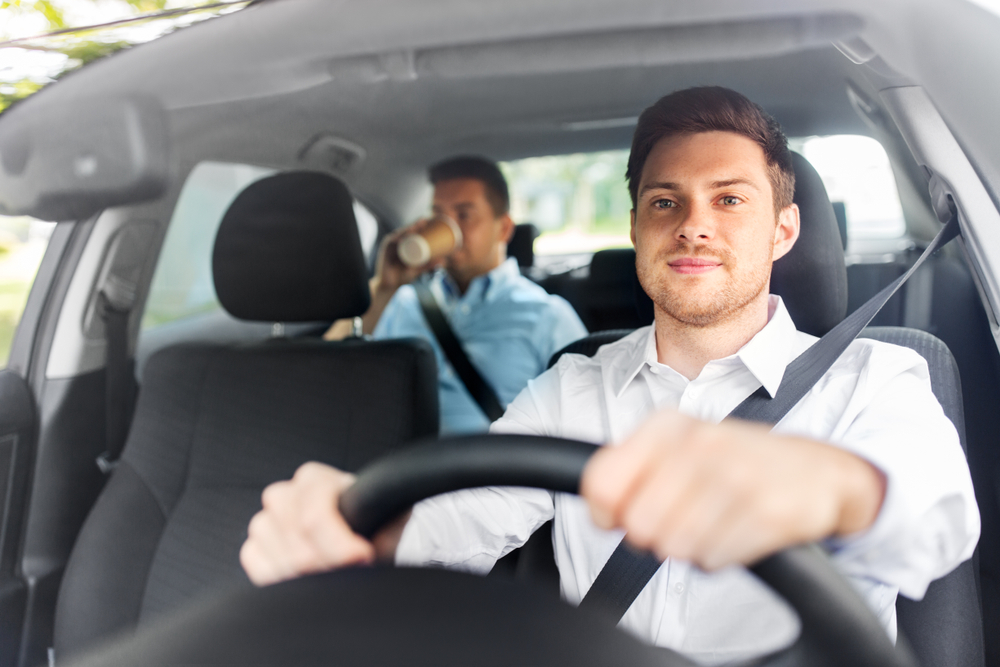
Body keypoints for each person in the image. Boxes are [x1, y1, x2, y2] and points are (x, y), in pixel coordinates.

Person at [242, 87, 979, 663]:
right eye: (666, 201)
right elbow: (462, 514)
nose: (694, 224)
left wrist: (826, 486)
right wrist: (360, 523)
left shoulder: (878, 376)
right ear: (635, 229)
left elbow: (938, 516)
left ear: (783, 230)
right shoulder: (574, 386)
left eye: (730, 199)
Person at [326, 156, 587, 434]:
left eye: (464, 215)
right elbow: (325, 372)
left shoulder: (549, 316)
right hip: (399, 469)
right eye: (439, 216)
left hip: (494, 471)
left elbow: (587, 420)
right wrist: (384, 286)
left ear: (504, 228)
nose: (450, 228)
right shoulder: (402, 300)